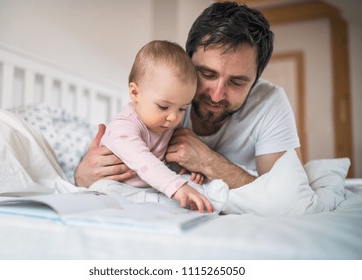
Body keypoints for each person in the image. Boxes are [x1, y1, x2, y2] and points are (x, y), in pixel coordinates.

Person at [74, 2, 301, 197]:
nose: (216, 94)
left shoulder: (270, 102)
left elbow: (286, 197)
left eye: (237, 82)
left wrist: (209, 162)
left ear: (256, 81)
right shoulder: (163, 91)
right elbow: (122, 159)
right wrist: (82, 175)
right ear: (188, 61)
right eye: (207, 74)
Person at [96, 40, 227, 213]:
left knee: (187, 184)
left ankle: (208, 198)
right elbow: (144, 161)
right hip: (118, 187)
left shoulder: (164, 126)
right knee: (104, 189)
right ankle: (161, 201)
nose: (173, 117)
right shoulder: (123, 127)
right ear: (135, 93)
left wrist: (189, 169)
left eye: (182, 109)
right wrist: (177, 186)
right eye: (163, 107)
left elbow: (165, 162)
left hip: (148, 185)